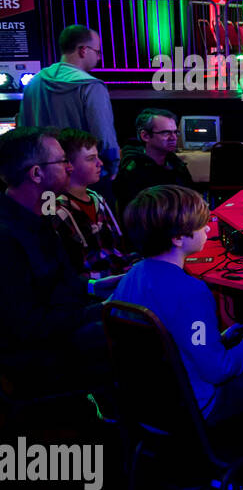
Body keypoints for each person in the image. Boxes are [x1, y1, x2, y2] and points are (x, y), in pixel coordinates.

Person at [110, 187, 243, 490]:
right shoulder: (190, 292)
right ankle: (241, 459)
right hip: (200, 408)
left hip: (151, 406)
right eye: (202, 224)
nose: (208, 228)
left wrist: (221, 339)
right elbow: (218, 370)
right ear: (178, 238)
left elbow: (177, 341)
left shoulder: (134, 275)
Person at [0, 128, 116, 393]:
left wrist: (99, 288)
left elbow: (64, 284)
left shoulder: (41, 215)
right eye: (63, 161)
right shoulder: (6, 238)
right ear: (37, 174)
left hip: (65, 324)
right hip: (39, 355)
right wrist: (100, 310)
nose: (70, 167)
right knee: (141, 332)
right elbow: (25, 327)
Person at [18, 25, 121, 181]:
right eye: (97, 52)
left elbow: (22, 133)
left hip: (42, 178)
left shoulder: (34, 83)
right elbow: (103, 134)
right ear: (83, 50)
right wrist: (112, 166)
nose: (99, 58)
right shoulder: (91, 86)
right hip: (83, 178)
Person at [52, 129, 133, 279]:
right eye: (91, 159)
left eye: (98, 157)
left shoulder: (97, 198)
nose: (100, 163)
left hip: (117, 276)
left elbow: (118, 249)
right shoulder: (55, 207)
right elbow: (73, 269)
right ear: (68, 164)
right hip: (91, 289)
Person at [114, 109, 194, 214]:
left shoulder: (176, 164)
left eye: (175, 132)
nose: (174, 138)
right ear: (145, 136)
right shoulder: (132, 171)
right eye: (166, 133)